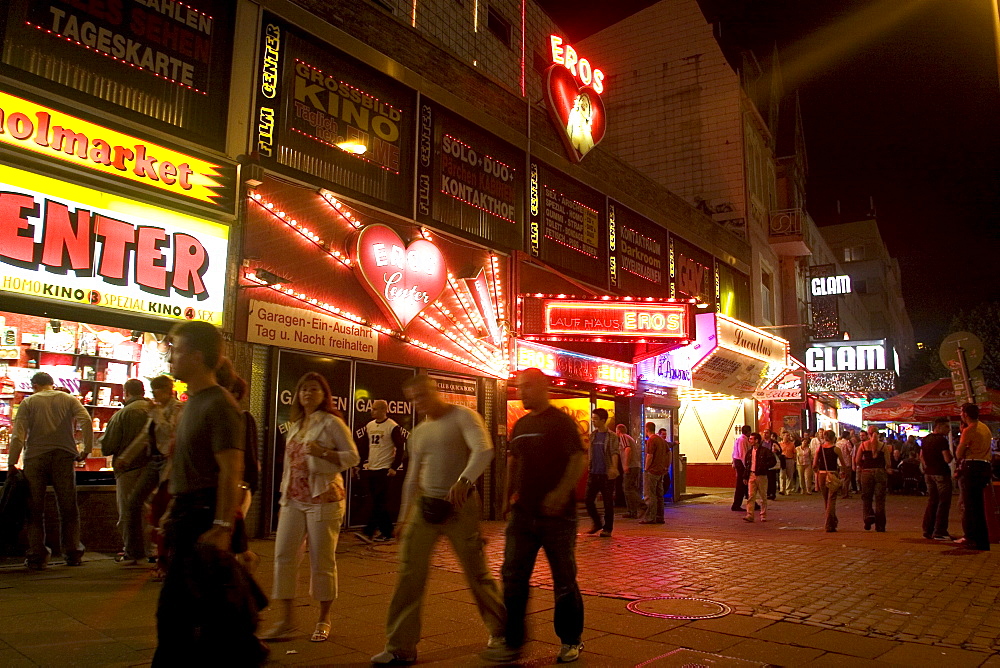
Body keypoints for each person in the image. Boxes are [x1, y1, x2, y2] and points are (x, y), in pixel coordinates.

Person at [152, 321, 266, 667]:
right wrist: (172, 506)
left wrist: (222, 526)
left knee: (178, 614)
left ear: (198, 357)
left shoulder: (220, 404)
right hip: (188, 514)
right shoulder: (194, 402)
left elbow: (232, 469)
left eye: (178, 350)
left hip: (203, 519)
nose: (171, 357)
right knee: (206, 615)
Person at [374, 375, 502, 665]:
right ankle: (400, 647)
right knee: (409, 574)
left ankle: (502, 632)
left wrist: (465, 480)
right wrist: (404, 518)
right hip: (425, 506)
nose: (419, 402)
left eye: (422, 395)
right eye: (413, 398)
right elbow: (412, 477)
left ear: (435, 391)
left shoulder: (464, 416)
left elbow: (484, 450)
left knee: (476, 573)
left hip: (460, 506)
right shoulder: (419, 432)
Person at [484, 368, 585, 664]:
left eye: (527, 387)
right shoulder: (522, 424)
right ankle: (513, 640)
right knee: (513, 576)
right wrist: (505, 498)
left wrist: (560, 493)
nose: (522, 392)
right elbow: (513, 461)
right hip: (523, 514)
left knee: (564, 579)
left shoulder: (562, 423)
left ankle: (571, 639)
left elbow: (578, 459)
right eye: (519, 387)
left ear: (543, 387)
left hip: (558, 518)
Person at [266, 372, 358, 643]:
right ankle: (286, 620)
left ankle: (323, 618)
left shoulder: (332, 423)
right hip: (293, 499)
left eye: (314, 389)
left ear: (324, 395)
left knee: (322, 559)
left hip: (324, 499)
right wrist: (284, 496)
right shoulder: (296, 423)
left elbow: (352, 456)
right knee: (284, 555)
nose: (308, 393)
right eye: (304, 389)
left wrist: (324, 453)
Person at [7, 371, 94, 569]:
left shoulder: (29, 403)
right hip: (63, 455)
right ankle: (72, 552)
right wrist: (85, 449)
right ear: (52, 384)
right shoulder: (68, 399)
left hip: (35, 457)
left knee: (35, 509)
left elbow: (18, 435)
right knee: (68, 507)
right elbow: (86, 421)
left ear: (34, 385)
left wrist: (12, 462)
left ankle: (37, 555)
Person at [101, 378, 153, 565]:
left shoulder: (122, 414)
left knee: (128, 511)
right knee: (150, 511)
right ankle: (151, 549)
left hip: (129, 468)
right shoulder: (156, 411)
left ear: (126, 392)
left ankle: (132, 550)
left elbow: (108, 446)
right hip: (154, 468)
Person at [354, 399, 406, 543]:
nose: (372, 411)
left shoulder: (392, 426)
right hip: (372, 467)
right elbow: (365, 446)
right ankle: (386, 532)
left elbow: (401, 448)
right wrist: (359, 464)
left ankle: (369, 531)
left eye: (375, 409)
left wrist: (394, 467)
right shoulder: (370, 426)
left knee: (379, 501)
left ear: (384, 410)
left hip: (384, 469)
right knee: (377, 502)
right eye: (372, 409)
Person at [954, 403, 993, 551]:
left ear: (965, 414)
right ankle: (980, 539)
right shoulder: (985, 427)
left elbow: (958, 453)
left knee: (972, 506)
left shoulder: (969, 430)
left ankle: (976, 540)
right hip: (985, 466)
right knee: (978, 505)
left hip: (973, 466)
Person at [584, 408, 619, 536]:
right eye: (592, 419)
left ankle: (607, 528)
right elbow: (590, 452)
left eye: (596, 419)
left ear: (603, 420)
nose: (593, 421)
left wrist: (614, 468)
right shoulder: (592, 435)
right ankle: (597, 523)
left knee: (608, 502)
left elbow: (615, 452)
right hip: (593, 472)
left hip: (606, 474)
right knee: (588, 500)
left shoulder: (612, 436)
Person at [921, 417, 953, 540]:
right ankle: (940, 531)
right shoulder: (942, 441)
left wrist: (927, 467)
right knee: (944, 502)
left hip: (929, 473)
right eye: (946, 427)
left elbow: (922, 456)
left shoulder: (926, 440)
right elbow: (947, 459)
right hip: (941, 473)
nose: (949, 430)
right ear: (938, 426)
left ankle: (928, 529)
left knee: (933, 501)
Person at [856, 426, 891, 532]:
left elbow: (857, 460)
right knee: (880, 500)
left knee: (866, 498)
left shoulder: (863, 445)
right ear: (878, 433)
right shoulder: (883, 446)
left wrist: (863, 466)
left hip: (866, 472)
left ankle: (868, 519)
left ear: (868, 434)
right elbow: (888, 463)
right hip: (880, 472)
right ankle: (880, 526)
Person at [814, 430, 848, 532]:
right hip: (832, 474)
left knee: (826, 500)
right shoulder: (836, 449)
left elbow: (814, 464)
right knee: (832, 499)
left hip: (822, 474)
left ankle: (832, 521)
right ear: (834, 438)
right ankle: (829, 524)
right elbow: (843, 463)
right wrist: (843, 473)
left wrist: (817, 471)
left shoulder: (819, 449)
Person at [639, 422, 669, 525]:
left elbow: (649, 456)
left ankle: (650, 518)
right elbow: (668, 453)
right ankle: (660, 517)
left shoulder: (651, 440)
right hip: (660, 471)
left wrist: (646, 469)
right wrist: (666, 466)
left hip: (652, 471)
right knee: (659, 495)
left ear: (647, 429)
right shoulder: (661, 440)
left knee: (649, 495)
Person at [742, 433, 774, 522]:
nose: (750, 441)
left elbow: (773, 461)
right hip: (751, 475)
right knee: (751, 496)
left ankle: (763, 515)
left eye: (752, 439)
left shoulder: (765, 451)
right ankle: (750, 515)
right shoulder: (749, 453)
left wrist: (764, 467)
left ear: (757, 440)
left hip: (761, 476)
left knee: (763, 496)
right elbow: (747, 465)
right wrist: (745, 476)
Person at [617, 424, 641, 518]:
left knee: (627, 489)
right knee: (632, 488)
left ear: (618, 431)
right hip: (635, 466)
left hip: (631, 466)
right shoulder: (630, 437)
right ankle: (632, 511)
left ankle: (641, 505)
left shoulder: (623, 437)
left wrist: (626, 465)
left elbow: (627, 449)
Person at [731, 425, 751, 511]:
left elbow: (734, 452)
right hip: (741, 463)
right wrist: (746, 466)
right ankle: (736, 505)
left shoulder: (739, 439)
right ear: (748, 432)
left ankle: (752, 502)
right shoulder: (743, 440)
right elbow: (743, 454)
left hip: (738, 462)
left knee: (745, 485)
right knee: (741, 484)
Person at [836, 431, 854, 499]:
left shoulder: (838, 443)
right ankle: (845, 493)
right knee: (847, 478)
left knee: (842, 477)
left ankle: (841, 491)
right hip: (847, 462)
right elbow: (851, 451)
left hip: (839, 462)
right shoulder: (847, 442)